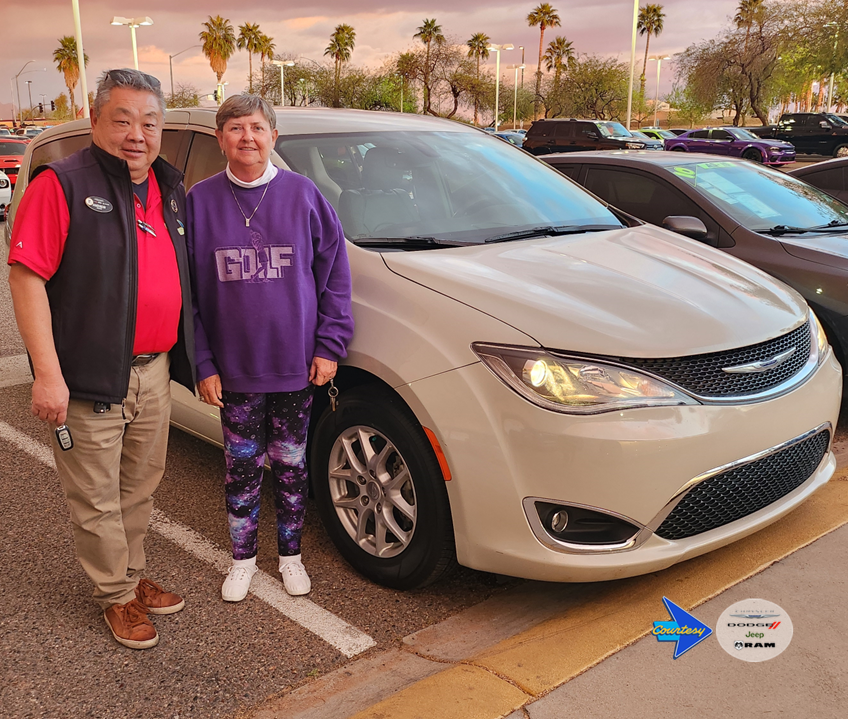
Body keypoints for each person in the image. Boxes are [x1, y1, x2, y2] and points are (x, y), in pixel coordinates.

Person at [7, 69, 195, 649]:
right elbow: (26, 276)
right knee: (95, 495)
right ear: (95, 121)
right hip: (87, 375)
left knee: (140, 486)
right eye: (122, 119)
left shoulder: (169, 186)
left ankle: (131, 578)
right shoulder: (61, 184)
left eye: (149, 122)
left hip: (152, 370)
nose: (136, 133)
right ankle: (115, 596)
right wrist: (47, 374)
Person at [187, 95, 353, 602]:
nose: (247, 138)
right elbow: (187, 292)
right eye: (235, 128)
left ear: (273, 137)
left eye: (257, 128)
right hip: (234, 371)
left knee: (291, 465)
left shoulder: (304, 196)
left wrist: (330, 345)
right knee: (240, 466)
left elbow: (335, 278)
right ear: (221, 139)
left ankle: (290, 556)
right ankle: (241, 560)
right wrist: (203, 361)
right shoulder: (199, 201)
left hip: (296, 368)